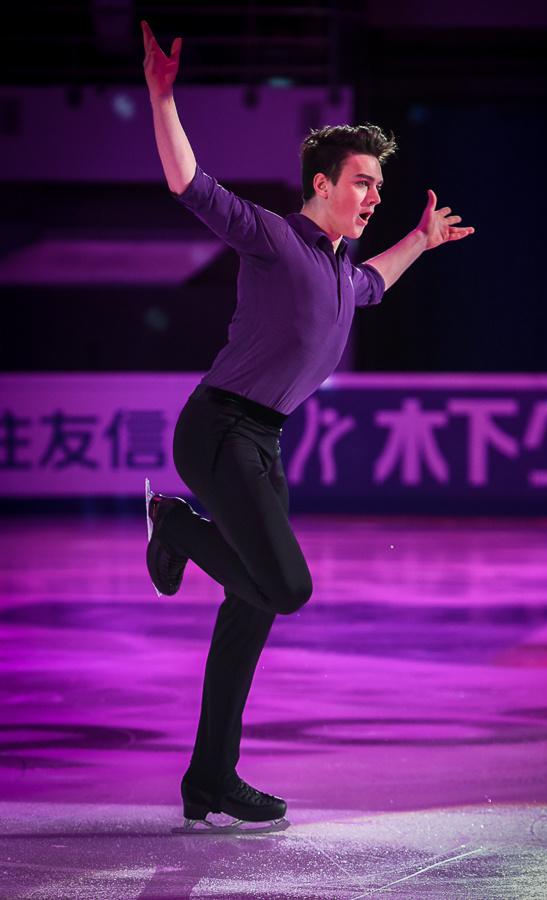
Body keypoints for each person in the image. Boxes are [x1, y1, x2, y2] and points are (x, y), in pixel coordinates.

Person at [141, 20, 474, 828]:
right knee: (287, 588)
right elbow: (191, 185)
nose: (372, 196)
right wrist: (161, 95)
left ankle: (208, 779)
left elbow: (376, 282)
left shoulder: (338, 273)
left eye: (378, 188)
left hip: (261, 445)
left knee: (250, 608)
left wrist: (420, 241)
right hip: (217, 429)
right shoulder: (272, 238)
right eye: (362, 182)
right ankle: (176, 525)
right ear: (320, 184)